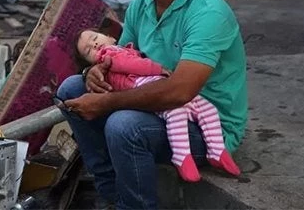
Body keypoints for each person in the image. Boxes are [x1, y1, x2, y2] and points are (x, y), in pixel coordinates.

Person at [58, 0, 248, 209]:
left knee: (124, 125)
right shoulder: (140, 5)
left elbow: (180, 92)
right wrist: (94, 71)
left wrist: (107, 103)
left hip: (204, 126)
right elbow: (119, 62)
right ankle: (111, 195)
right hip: (159, 111)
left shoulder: (208, 13)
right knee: (72, 87)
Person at [73, 30, 241, 182]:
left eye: (94, 37)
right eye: (89, 50)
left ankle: (217, 150)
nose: (94, 44)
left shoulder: (120, 48)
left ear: (111, 36)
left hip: (167, 89)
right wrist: (159, 68)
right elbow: (133, 65)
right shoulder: (110, 54)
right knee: (175, 112)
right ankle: (182, 156)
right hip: (145, 86)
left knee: (207, 108)